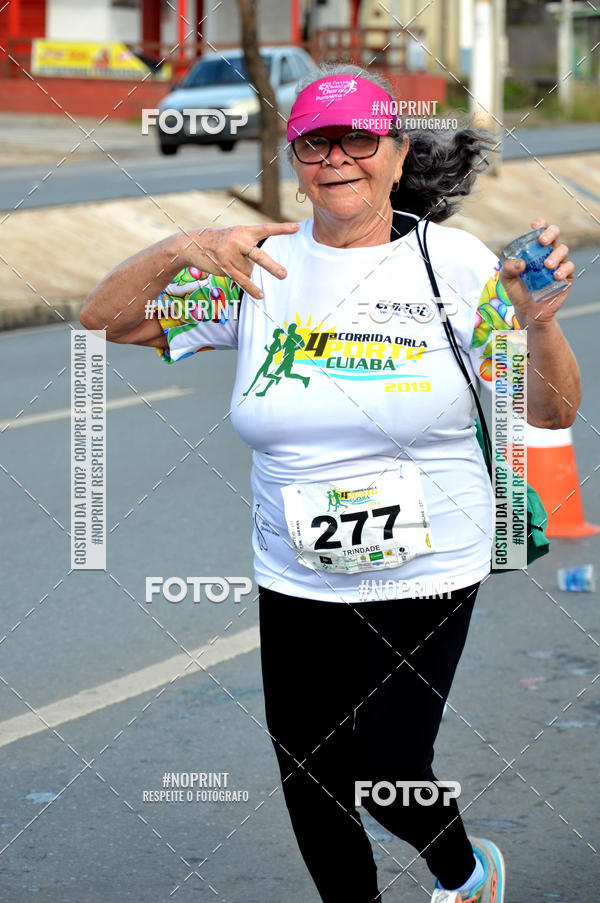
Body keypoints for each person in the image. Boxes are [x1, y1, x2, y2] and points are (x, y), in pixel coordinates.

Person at [80, 62, 581, 903]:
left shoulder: (451, 265)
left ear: (394, 153)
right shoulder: (259, 268)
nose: (337, 158)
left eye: (358, 139)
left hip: (428, 560)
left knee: (386, 763)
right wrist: (181, 247)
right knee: (309, 769)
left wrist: (539, 326)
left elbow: (553, 410)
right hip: (295, 566)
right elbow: (107, 320)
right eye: (317, 141)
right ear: (296, 157)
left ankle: (465, 870)